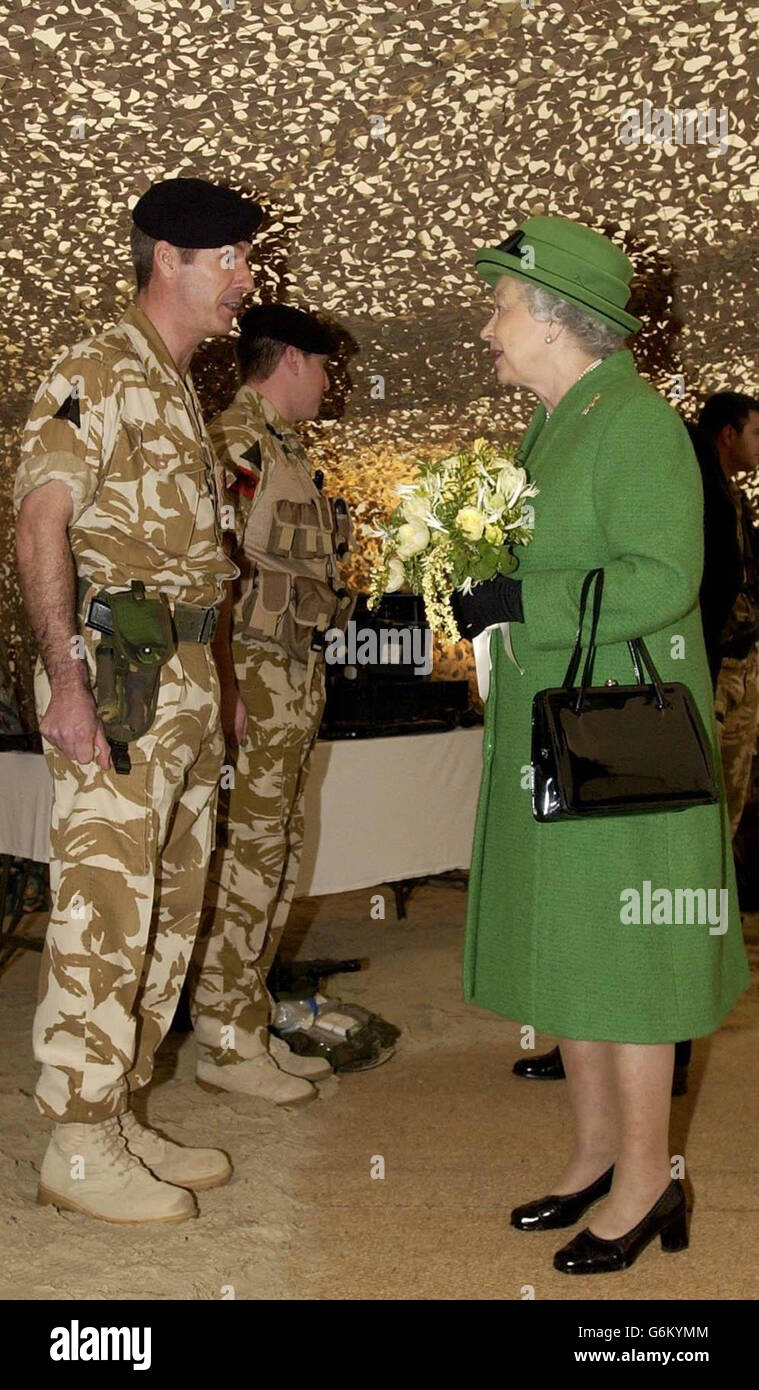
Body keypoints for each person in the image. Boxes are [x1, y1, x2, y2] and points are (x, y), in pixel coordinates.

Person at [453, 216, 750, 1275]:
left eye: (499, 308)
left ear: (550, 320)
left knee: (627, 970)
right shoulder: (558, 422)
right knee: (576, 957)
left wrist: (516, 597)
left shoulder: (632, 421)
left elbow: (662, 579)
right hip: (557, 734)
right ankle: (591, 1158)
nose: (487, 329)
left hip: (621, 749)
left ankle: (646, 1188)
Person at [14, 177, 261, 1224]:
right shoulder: (95, 367)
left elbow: (202, 565)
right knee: (107, 906)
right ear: (173, 258)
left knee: (171, 905)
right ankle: (74, 1140)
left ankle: (118, 1111)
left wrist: (226, 683)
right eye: (235, 260)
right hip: (116, 672)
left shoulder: (177, 388)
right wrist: (67, 676)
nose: (249, 279)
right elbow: (40, 524)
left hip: (186, 680)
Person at [189, 304, 354, 1104]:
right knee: (250, 858)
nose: (329, 383)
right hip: (254, 673)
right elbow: (211, 570)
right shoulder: (234, 443)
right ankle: (221, 1040)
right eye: (324, 366)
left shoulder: (281, 448)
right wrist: (223, 682)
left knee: (277, 856)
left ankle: (244, 1027)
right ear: (290, 360)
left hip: (290, 670)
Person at [697, 392, 759, 839]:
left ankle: (718, 900)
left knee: (732, 799)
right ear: (728, 434)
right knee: (705, 792)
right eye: (756, 434)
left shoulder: (736, 499)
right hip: (713, 665)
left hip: (745, 660)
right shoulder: (699, 495)